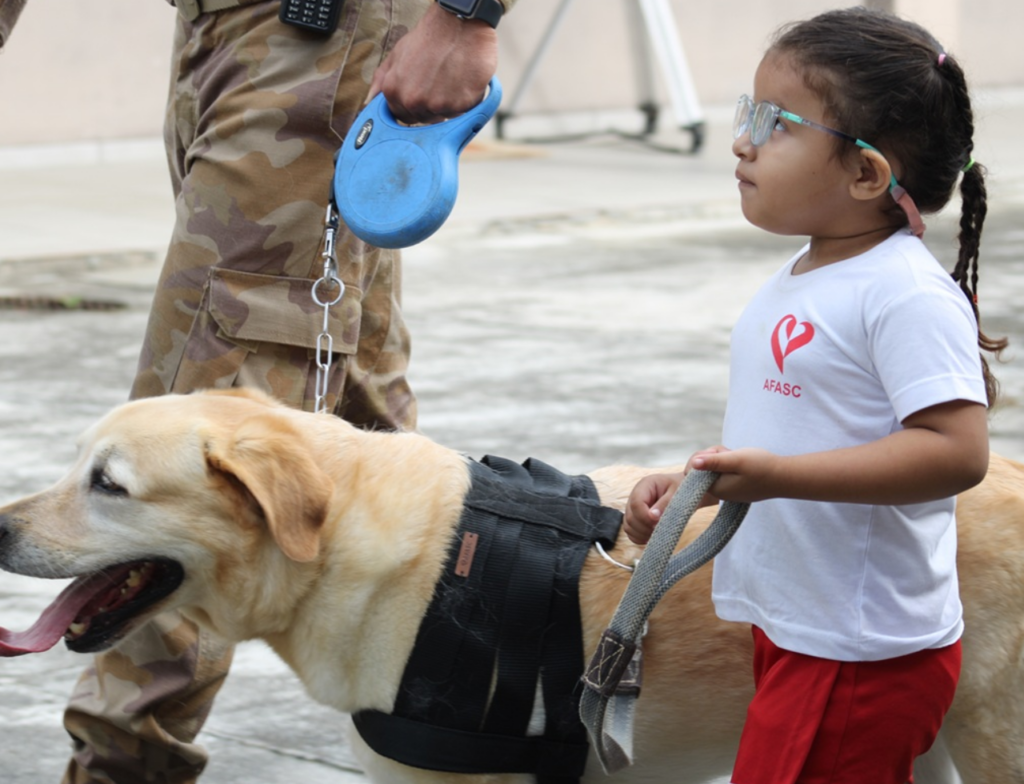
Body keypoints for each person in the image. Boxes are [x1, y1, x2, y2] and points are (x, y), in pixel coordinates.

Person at [1, 0, 514, 781]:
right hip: (229, 34)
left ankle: (119, 767)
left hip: (315, 39)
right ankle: (450, 737)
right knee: (356, 442)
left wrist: (466, 12)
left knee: (186, 462)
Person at [623, 8, 1005, 784]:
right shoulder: (808, 272)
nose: (743, 140)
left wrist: (774, 477)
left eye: (777, 123)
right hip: (804, 628)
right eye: (748, 114)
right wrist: (697, 482)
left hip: (860, 651)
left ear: (866, 174)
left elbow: (957, 452)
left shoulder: (903, 293)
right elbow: (799, 425)